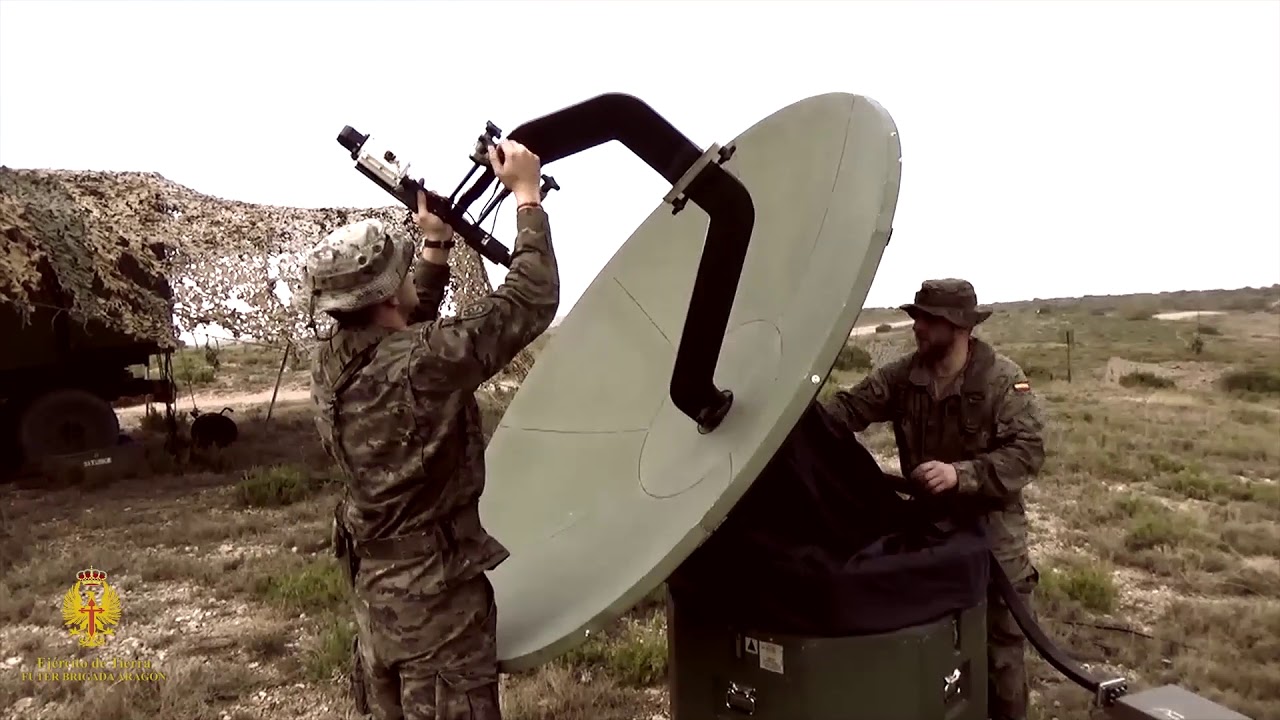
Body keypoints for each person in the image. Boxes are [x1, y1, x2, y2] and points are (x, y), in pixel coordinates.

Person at [303, 139, 559, 720]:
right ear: (390, 291)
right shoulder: (424, 363)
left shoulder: (331, 363)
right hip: (437, 607)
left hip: (378, 598)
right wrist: (526, 197)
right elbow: (528, 301)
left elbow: (399, 333)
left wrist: (436, 246)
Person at [822, 278, 1045, 720]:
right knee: (931, 647)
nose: (917, 327)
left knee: (999, 651)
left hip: (991, 536)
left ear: (959, 326)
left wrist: (960, 475)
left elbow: (1027, 453)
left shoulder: (1003, 381)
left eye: (929, 320)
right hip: (928, 533)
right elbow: (847, 411)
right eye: (917, 317)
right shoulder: (904, 376)